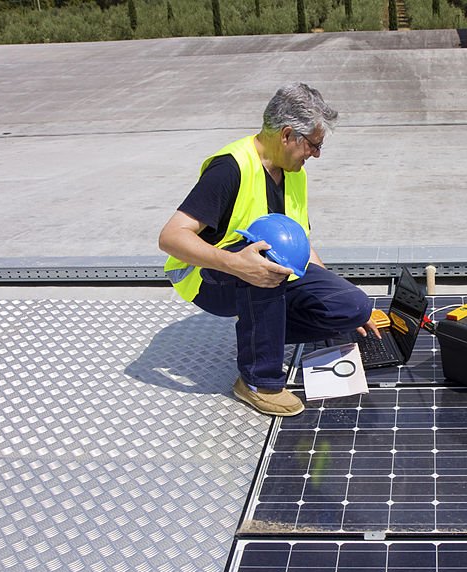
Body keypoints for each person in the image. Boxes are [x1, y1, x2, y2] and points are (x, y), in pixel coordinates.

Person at [158, 83, 379, 417]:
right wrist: (235, 264)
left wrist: (338, 299)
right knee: (262, 265)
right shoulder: (230, 168)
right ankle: (258, 382)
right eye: (314, 145)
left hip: (257, 271)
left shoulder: (294, 173)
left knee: (353, 306)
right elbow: (171, 237)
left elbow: (300, 241)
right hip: (210, 277)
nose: (316, 155)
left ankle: (260, 331)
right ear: (288, 135)